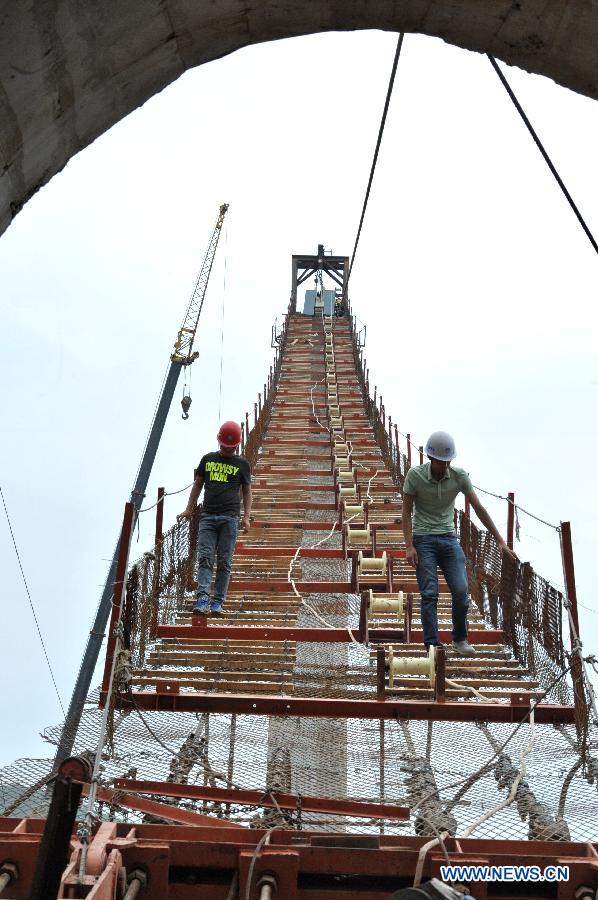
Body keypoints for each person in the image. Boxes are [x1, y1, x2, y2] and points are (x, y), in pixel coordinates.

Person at [402, 431, 514, 656]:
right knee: (430, 593)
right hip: (423, 539)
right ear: (430, 458)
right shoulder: (415, 476)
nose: (443, 466)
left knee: (462, 591)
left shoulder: (459, 476)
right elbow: (405, 512)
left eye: (446, 462)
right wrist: (409, 546)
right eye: (439, 462)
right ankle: (432, 645)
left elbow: (479, 509)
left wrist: (500, 540)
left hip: (448, 538)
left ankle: (459, 639)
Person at [178, 420, 252, 616]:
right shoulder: (208, 460)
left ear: (236, 445)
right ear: (219, 443)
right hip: (208, 517)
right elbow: (197, 485)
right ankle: (202, 597)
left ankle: (218, 601)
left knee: (225, 561)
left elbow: (247, 491)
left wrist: (246, 517)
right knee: (205, 558)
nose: (226, 450)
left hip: (230, 518)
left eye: (230, 447)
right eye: (224, 447)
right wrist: (188, 509)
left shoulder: (242, 464)